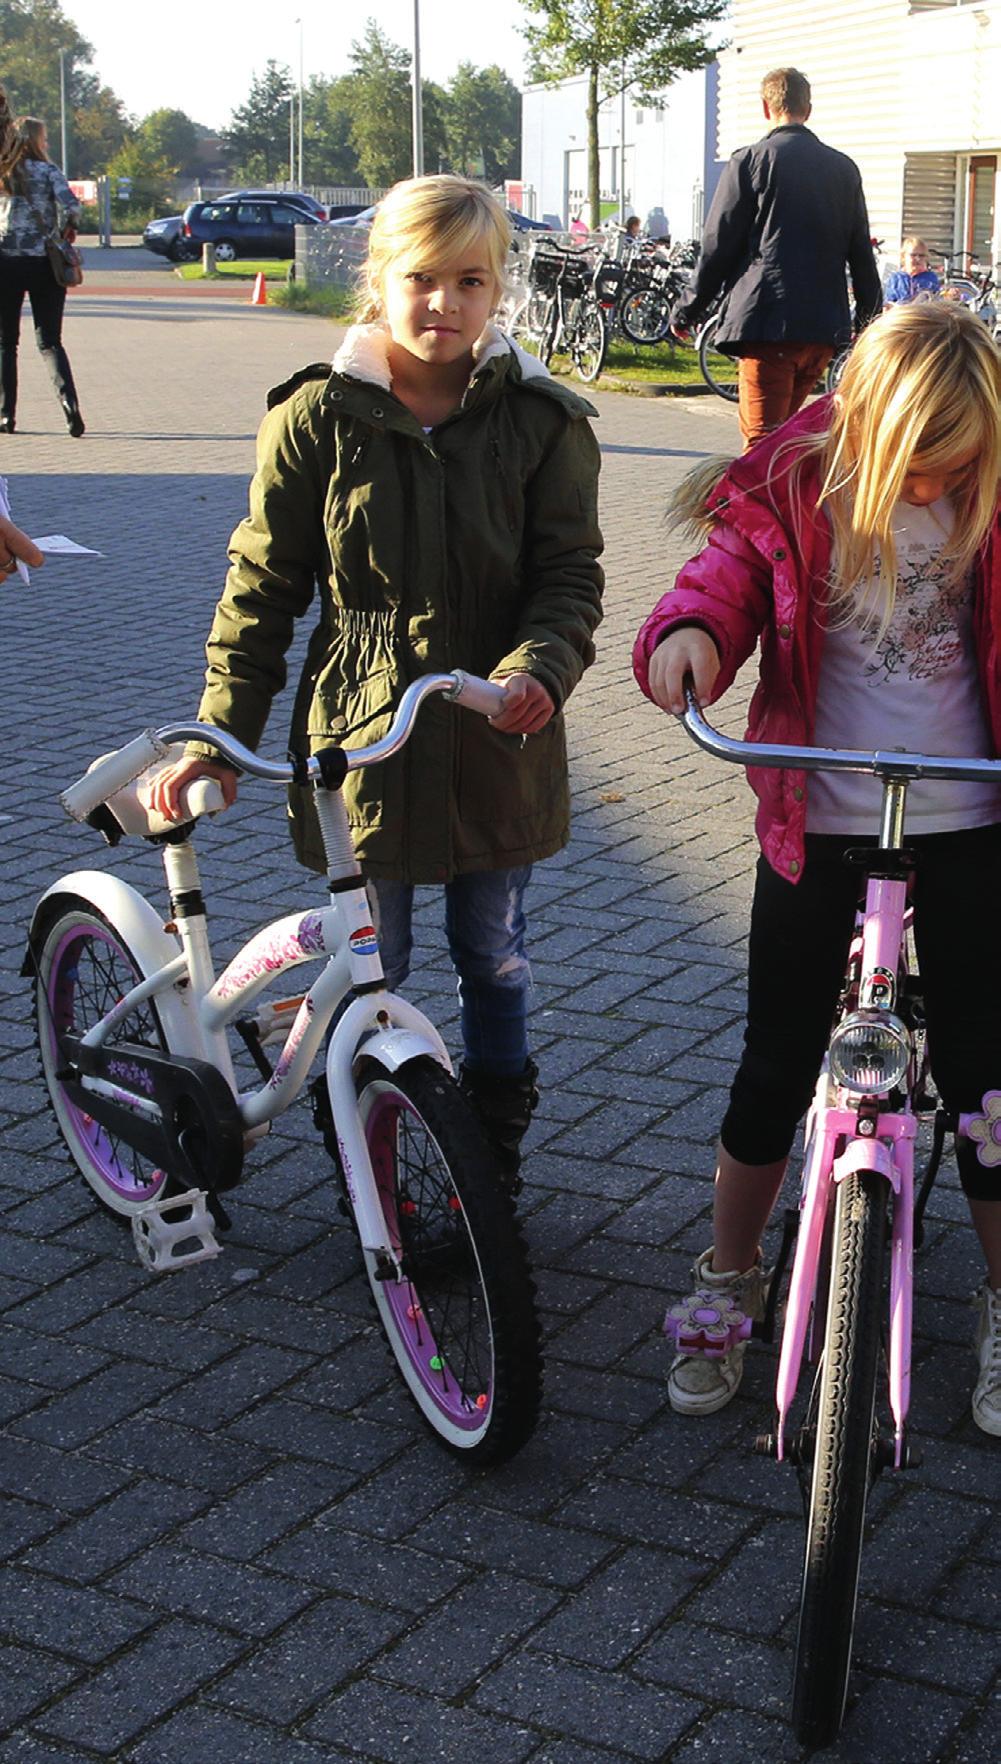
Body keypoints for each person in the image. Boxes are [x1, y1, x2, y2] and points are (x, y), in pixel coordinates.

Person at [150, 173, 604, 1185]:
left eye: (470, 281)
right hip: (363, 739)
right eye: (422, 278)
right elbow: (263, 587)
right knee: (375, 961)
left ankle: (491, 1157)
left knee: (493, 952)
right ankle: (368, 1154)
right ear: (377, 278)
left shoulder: (541, 421)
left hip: (498, 730)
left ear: (499, 291)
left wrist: (539, 665)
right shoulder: (318, 416)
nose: (444, 302)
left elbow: (567, 574)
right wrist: (217, 734)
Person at [634, 300, 1001, 1435]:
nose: (935, 490)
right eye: (917, 468)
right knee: (772, 1060)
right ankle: (729, 1267)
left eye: (959, 468)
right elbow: (724, 579)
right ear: (864, 432)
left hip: (968, 822)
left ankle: (998, 1297)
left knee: (988, 1081)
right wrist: (686, 638)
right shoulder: (798, 487)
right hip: (820, 814)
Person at [670, 67, 882, 451]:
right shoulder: (843, 169)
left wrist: (688, 310)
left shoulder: (750, 162)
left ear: (766, 107)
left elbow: (719, 246)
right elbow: (860, 252)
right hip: (821, 331)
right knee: (787, 445)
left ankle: (756, 511)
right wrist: (867, 321)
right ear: (809, 109)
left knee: (762, 450)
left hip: (767, 324)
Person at [0, 115, 84, 436]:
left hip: (5, 264)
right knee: (50, 342)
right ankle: (69, 407)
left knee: (6, 343)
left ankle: (6, 415)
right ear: (36, 140)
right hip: (45, 266)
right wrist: (63, 230)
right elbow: (72, 208)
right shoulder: (49, 172)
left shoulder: (3, 173)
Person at [883, 236, 941, 306]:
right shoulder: (896, 278)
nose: (918, 259)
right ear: (903, 257)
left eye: (921, 255)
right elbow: (889, 303)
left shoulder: (931, 278)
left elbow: (937, 302)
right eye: (913, 255)